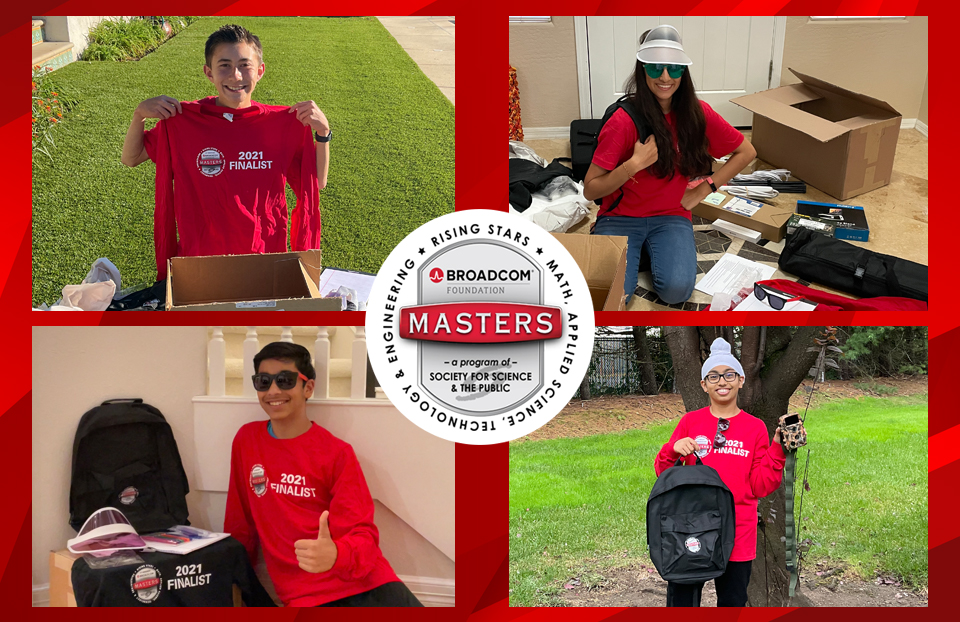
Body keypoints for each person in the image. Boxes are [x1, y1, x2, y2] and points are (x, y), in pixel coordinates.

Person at [121, 24, 331, 280]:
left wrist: (323, 135)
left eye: (245, 65)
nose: (236, 75)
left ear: (260, 71)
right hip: (201, 259)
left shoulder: (281, 126)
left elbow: (316, 182)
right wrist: (139, 115)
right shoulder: (186, 122)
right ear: (209, 73)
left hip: (263, 256)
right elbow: (131, 159)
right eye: (224, 65)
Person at [224, 342, 423, 607]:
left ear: (308, 388)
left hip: (369, 586)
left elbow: (363, 533)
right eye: (263, 381)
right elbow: (240, 522)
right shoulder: (247, 440)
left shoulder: (336, 453)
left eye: (285, 380)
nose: (273, 391)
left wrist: (337, 554)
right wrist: (231, 575)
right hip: (307, 598)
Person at [583, 25, 758, 305]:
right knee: (612, 297)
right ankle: (620, 241)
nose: (665, 77)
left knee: (676, 291)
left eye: (673, 69)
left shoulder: (697, 114)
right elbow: (590, 190)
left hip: (670, 216)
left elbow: (746, 151)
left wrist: (704, 190)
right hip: (621, 216)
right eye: (655, 68)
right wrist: (633, 164)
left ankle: (646, 250)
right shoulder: (622, 121)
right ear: (642, 71)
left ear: (682, 72)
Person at [654, 338, 785, 607]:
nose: (721, 381)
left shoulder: (755, 427)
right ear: (704, 384)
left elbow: (760, 486)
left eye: (729, 375)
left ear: (741, 380)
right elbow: (665, 477)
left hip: (739, 529)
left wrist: (778, 449)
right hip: (691, 526)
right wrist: (673, 449)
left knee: (733, 600)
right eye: (713, 376)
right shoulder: (691, 421)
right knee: (682, 601)